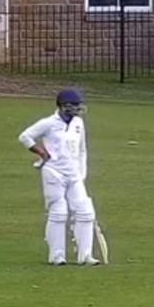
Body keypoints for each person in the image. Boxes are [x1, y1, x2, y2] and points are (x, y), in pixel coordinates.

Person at [18, 87, 99, 265]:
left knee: (85, 212)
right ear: (63, 106)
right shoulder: (49, 123)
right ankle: (57, 256)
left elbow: (82, 150)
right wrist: (41, 153)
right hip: (54, 172)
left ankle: (85, 256)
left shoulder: (78, 123)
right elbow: (25, 136)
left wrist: (82, 173)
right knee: (59, 212)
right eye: (74, 105)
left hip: (74, 174)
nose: (78, 109)